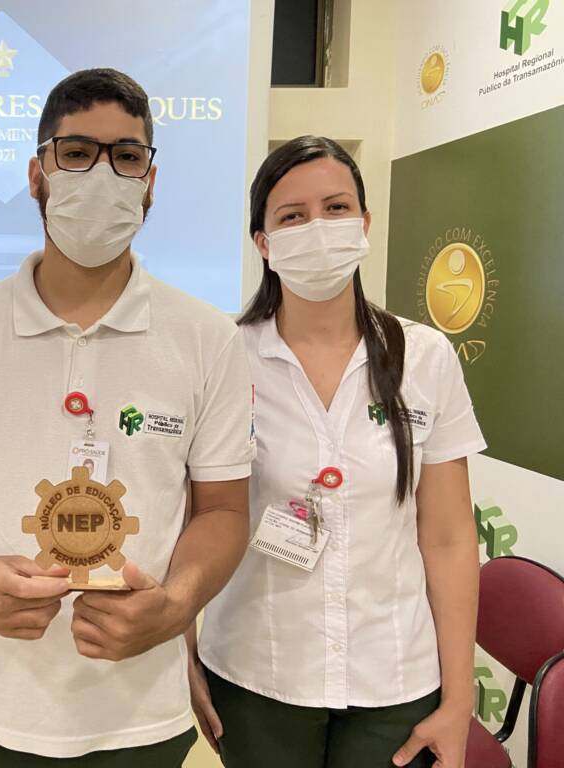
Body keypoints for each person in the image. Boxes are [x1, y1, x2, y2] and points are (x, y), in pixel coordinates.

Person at [0, 68, 254, 767]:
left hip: (138, 716)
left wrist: (177, 604)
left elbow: (223, 509)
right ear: (37, 174)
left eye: (126, 156)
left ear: (150, 182)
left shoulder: (207, 338)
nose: (102, 174)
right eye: (76, 153)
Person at [189, 136, 486, 768]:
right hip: (258, 674)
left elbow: (449, 537)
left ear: (364, 224)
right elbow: (192, 518)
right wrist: (180, 651)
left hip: (395, 679)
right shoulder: (224, 358)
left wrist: (460, 699)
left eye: (335, 208)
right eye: (292, 216)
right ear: (263, 242)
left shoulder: (425, 357)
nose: (318, 228)